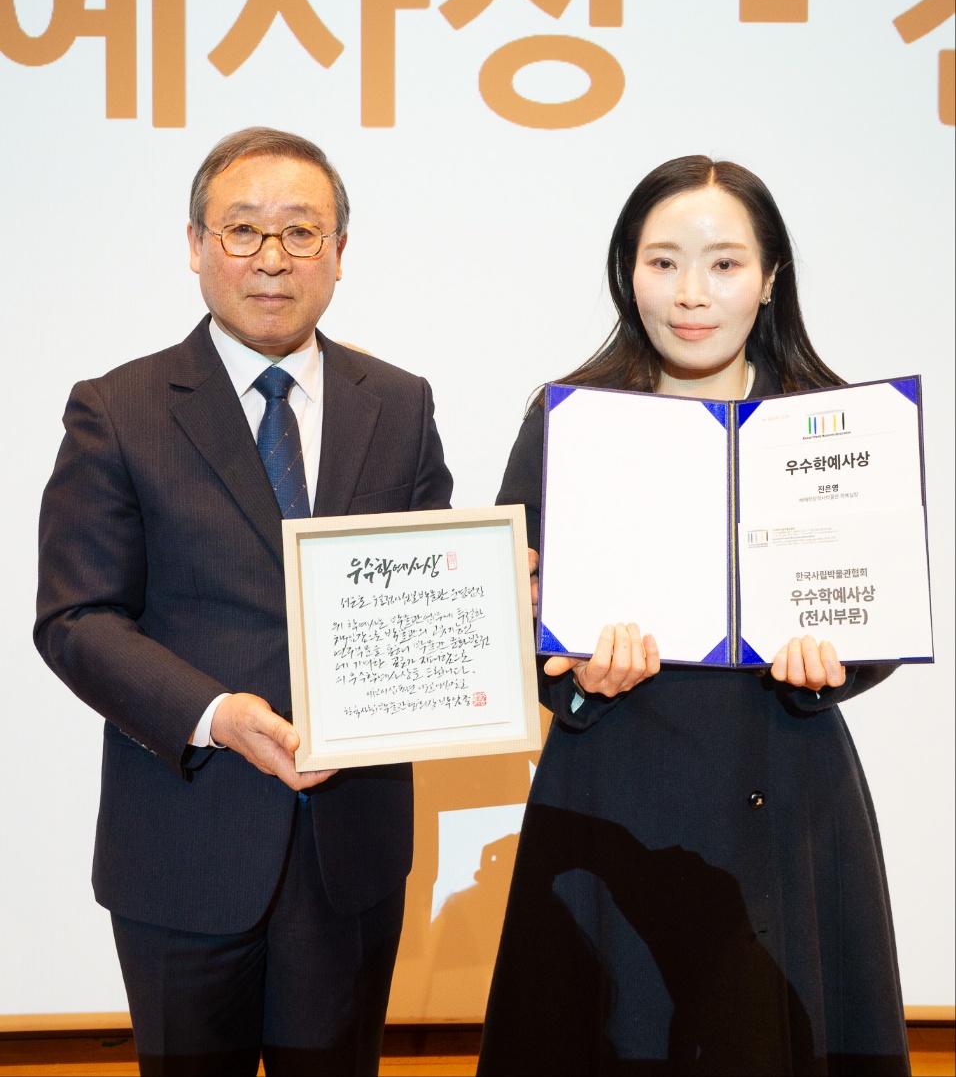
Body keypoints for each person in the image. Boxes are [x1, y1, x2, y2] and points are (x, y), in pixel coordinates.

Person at [478, 156, 910, 1077]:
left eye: (724, 264)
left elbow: (876, 606)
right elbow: (509, 613)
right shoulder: (569, 419)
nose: (691, 294)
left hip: (786, 785)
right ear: (627, 271)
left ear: (770, 277)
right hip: (610, 785)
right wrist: (574, 678)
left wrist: (835, 663)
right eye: (663, 262)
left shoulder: (832, 421)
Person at [35, 127, 453, 1077]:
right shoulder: (118, 408)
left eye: (301, 232)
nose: (272, 258)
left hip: (350, 847)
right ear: (195, 245)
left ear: (339, 252)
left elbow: (429, 586)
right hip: (183, 843)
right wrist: (216, 714)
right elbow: (76, 618)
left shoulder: (400, 403)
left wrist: (502, 600)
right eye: (243, 230)